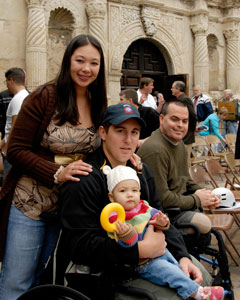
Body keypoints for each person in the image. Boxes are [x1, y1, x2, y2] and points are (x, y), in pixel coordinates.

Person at [60, 103, 213, 300]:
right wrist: (138, 251)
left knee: (203, 277)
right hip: (112, 272)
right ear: (103, 132)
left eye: (134, 132)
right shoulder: (85, 177)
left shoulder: (140, 172)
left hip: (156, 258)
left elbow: (159, 213)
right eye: (120, 131)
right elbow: (80, 246)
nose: (128, 140)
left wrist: (182, 255)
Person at [0, 34, 108, 300]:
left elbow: (101, 146)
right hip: (30, 204)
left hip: (69, 208)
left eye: (94, 63)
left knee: (46, 279)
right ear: (67, 60)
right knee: (17, 280)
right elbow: (14, 149)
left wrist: (130, 157)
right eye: (80, 60)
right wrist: (57, 172)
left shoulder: (98, 101)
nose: (86, 69)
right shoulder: (43, 97)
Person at [102, 165, 224, 300]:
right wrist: (126, 235)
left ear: (139, 193)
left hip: (162, 252)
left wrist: (162, 223)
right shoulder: (116, 218)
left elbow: (161, 222)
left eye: (134, 190)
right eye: (123, 191)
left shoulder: (144, 207)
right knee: (169, 273)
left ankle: (194, 286)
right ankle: (197, 293)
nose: (130, 194)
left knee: (177, 268)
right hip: (145, 263)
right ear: (112, 197)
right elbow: (125, 246)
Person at [137, 100, 220, 236]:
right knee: (204, 223)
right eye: (174, 119)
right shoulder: (155, 150)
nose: (180, 125)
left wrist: (207, 195)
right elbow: (162, 198)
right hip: (161, 216)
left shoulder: (178, 143)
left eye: (184, 121)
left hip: (179, 206)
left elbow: (185, 179)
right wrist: (197, 199)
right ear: (162, 119)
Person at [0, 68, 29, 179]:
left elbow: (15, 125)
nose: (6, 85)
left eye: (6, 81)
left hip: (12, 150)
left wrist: (7, 149)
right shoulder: (24, 96)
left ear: (11, 80)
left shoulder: (18, 98)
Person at [171, 81, 197, 145]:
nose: (171, 89)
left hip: (186, 137)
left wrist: (191, 131)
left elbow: (192, 116)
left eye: (172, 88)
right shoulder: (179, 99)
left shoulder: (185, 99)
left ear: (178, 89)